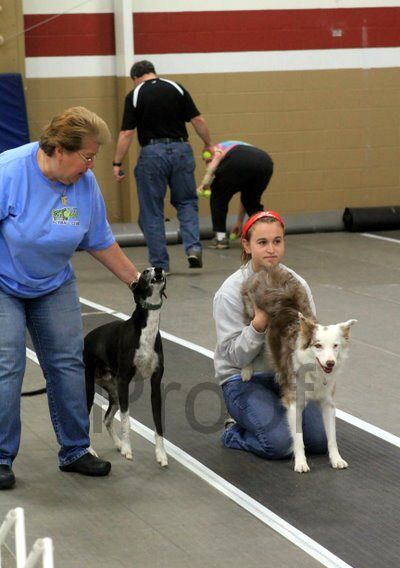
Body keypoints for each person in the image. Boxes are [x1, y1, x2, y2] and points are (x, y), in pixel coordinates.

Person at [0, 106, 141, 490]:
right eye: (88, 157)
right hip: (3, 283)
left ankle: (76, 450)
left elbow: (99, 240)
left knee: (67, 363)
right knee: (7, 364)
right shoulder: (9, 173)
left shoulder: (84, 184)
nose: (92, 166)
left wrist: (137, 283)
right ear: (59, 149)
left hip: (54, 283)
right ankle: (0, 457)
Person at [213, 211, 328, 459]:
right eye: (262, 243)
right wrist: (259, 322)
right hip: (243, 380)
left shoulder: (297, 285)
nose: (271, 249)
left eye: (277, 241)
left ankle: (267, 416)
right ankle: (234, 430)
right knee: (280, 444)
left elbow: (312, 340)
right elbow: (234, 357)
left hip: (286, 378)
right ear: (246, 245)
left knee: (319, 441)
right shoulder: (229, 293)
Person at [113, 60, 213, 273]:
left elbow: (126, 133)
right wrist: (208, 144)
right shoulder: (176, 87)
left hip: (152, 153)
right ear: (153, 73)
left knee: (152, 211)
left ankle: (160, 264)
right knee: (187, 202)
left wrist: (117, 162)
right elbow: (198, 120)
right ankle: (193, 249)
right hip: (181, 149)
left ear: (135, 78)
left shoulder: (135, 94)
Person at [198, 141, 274, 249]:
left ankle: (220, 238)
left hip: (238, 161)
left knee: (217, 195)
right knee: (251, 202)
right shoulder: (238, 146)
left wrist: (205, 183)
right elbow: (245, 198)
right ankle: (265, 236)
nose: (208, 163)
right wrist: (239, 222)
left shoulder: (216, 148)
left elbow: (213, 166)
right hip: (265, 162)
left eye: (208, 160)